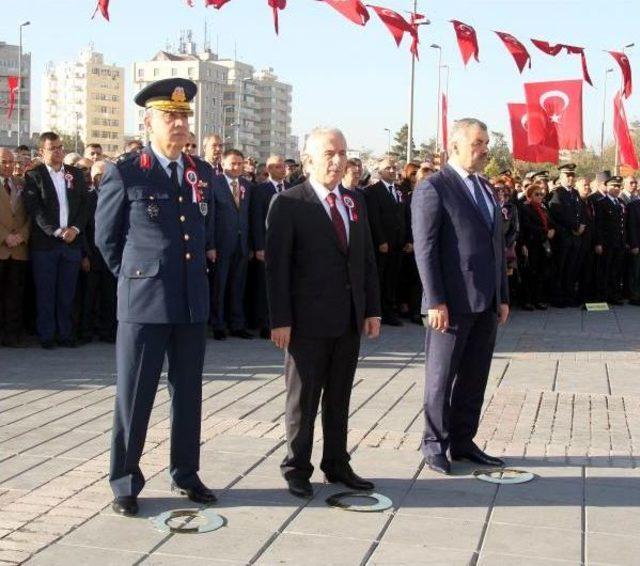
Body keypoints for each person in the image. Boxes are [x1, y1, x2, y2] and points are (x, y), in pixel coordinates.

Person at [96, 78, 217, 517]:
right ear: (148, 121)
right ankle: (125, 480)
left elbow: (204, 228)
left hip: (190, 300)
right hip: (144, 302)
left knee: (188, 393)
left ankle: (185, 471)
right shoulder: (127, 171)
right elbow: (107, 240)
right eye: (171, 116)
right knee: (135, 395)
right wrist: (136, 278)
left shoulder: (199, 172)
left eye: (184, 117)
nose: (180, 124)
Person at [266, 127, 381, 498]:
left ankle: (336, 462)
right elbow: (277, 267)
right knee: (303, 398)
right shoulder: (289, 203)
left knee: (340, 396)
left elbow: (365, 259)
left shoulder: (354, 201)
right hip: (305, 322)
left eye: (342, 153)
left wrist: (372, 309)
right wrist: (280, 319)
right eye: (329, 153)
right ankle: (297, 466)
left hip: (347, 318)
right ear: (309, 159)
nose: (337, 160)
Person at [411, 118, 509, 475]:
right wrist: (434, 301)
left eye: (486, 142)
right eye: (478, 143)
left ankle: (464, 442)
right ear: (455, 145)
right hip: (450, 303)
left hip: (485, 301)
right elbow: (426, 249)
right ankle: (434, 444)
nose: (485, 149)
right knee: (441, 376)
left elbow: (496, 244)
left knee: (474, 375)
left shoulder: (485, 187)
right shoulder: (434, 187)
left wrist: (503, 295)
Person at [23, 132, 89, 349]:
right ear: (42, 151)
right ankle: (47, 335)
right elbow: (36, 210)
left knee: (67, 292)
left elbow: (83, 206)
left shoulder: (75, 174)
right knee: (46, 292)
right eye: (53, 148)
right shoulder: (34, 175)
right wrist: (57, 231)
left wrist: (75, 229)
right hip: (46, 244)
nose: (59, 151)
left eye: (61, 147)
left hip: (71, 243)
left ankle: (66, 333)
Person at [210, 148, 253, 340]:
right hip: (221, 244)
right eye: (233, 163)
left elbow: (249, 217)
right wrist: (210, 245)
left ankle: (237, 324)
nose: (236, 167)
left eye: (240, 163)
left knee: (238, 286)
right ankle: (218, 324)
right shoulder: (214, 183)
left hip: (242, 245)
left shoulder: (247, 186)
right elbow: (210, 217)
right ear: (223, 164)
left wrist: (251, 244)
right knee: (220, 286)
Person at [365, 156, 409, 326]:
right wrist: (381, 240)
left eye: (394, 167)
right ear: (380, 170)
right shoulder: (372, 191)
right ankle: (381, 311)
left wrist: (408, 239)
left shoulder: (400, 191)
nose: (392, 170)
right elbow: (374, 218)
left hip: (399, 243)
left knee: (394, 278)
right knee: (381, 279)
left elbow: (405, 215)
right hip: (383, 245)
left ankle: (390, 308)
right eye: (388, 168)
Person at [251, 155, 288, 339]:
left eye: (283, 166)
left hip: (288, 246)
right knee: (266, 287)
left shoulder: (293, 188)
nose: (282, 169)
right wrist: (258, 246)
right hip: (267, 245)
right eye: (277, 166)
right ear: (269, 169)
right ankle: (266, 323)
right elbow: (257, 219)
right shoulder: (261, 190)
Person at [0, 148, 30, 347]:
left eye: (11, 162)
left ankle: (12, 335)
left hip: (19, 249)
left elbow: (31, 214)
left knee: (15, 295)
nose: (9, 165)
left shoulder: (22, 184)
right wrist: (4, 236)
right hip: (1, 247)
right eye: (4, 161)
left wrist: (22, 235)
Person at [548, 163, 584, 307]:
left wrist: (581, 225)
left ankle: (569, 295)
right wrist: (575, 226)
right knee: (560, 268)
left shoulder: (574, 193)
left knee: (571, 268)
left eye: (572, 175)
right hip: (563, 237)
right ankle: (558, 297)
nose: (570, 178)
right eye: (567, 175)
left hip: (575, 237)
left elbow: (579, 211)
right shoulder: (557, 193)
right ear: (561, 177)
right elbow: (558, 214)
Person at [518, 183, 554, 310]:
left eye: (541, 194)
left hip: (542, 244)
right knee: (529, 273)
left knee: (540, 272)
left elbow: (549, 222)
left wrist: (552, 229)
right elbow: (526, 226)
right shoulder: (525, 208)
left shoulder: (543, 208)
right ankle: (527, 300)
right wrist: (545, 231)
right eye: (536, 194)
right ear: (529, 196)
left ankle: (537, 299)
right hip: (530, 244)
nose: (539, 197)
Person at [594, 175, 626, 304]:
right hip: (607, 243)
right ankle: (603, 296)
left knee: (616, 270)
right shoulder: (601, 203)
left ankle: (614, 295)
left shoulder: (621, 203)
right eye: (614, 186)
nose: (617, 188)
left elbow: (623, 224)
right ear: (607, 187)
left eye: (619, 186)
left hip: (619, 242)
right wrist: (599, 242)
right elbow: (598, 225)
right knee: (605, 270)